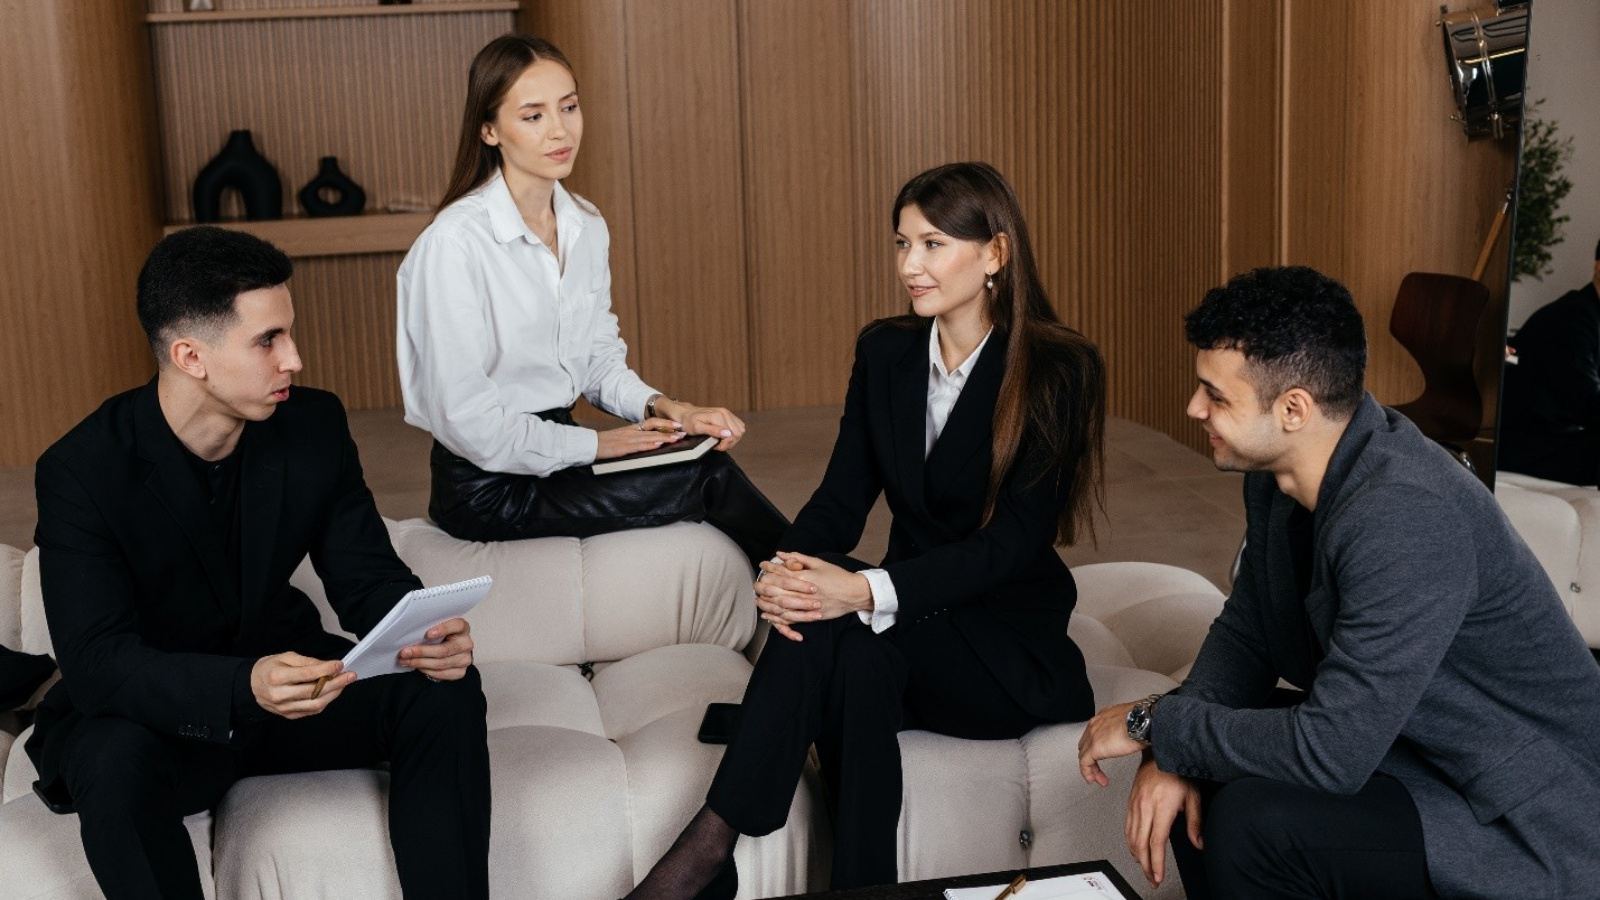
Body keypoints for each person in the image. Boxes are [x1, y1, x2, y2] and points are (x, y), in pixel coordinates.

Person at [624, 162, 1105, 899]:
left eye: (934, 244)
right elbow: (841, 499)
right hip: (906, 631)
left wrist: (860, 590)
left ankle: (704, 856)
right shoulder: (887, 352)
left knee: (839, 626)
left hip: (1000, 647)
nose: (910, 266)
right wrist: (788, 568)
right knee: (846, 652)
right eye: (902, 243)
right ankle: (846, 882)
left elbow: (1008, 547)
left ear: (995, 254)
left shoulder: (1059, 369)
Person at [1076, 266, 1600, 900]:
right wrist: (1172, 746)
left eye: (1216, 395)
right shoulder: (1278, 475)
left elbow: (1331, 751)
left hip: (1516, 810)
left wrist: (1156, 724)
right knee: (1203, 776)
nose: (1194, 408)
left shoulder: (1406, 514)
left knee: (1253, 825)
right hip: (1410, 746)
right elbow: (1249, 629)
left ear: (1293, 409)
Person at [27, 227, 492, 900]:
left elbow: (366, 577)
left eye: (289, 334)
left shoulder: (314, 425)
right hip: (164, 718)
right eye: (268, 340)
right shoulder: (81, 470)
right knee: (109, 758)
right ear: (191, 356)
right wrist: (241, 685)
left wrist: (422, 634)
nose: (294, 359)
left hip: (293, 692)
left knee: (444, 689)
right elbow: (98, 664)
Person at [397, 34, 786, 564]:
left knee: (695, 453)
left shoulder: (585, 223)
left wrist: (670, 408)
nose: (560, 130)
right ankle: (818, 579)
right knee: (705, 477)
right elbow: (468, 423)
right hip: (485, 488)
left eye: (569, 107)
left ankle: (813, 578)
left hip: (560, 452)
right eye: (533, 116)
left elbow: (598, 360)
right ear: (489, 130)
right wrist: (599, 445)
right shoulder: (453, 245)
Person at [1499, 237, 1600, 484]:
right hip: (1529, 445)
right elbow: (1588, 406)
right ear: (1598, 267)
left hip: (1554, 437)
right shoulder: (1573, 317)